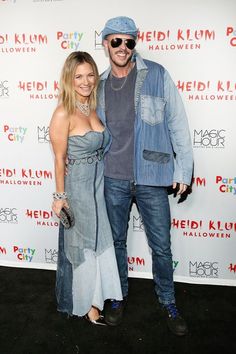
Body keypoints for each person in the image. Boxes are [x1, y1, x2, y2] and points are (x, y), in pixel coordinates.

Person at [96, 16, 194, 336]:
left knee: (161, 246)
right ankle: (117, 296)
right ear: (105, 43)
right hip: (113, 176)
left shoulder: (157, 75)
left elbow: (178, 124)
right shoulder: (97, 85)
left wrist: (184, 170)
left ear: (135, 44)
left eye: (129, 42)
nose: (123, 48)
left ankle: (167, 300)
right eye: (116, 41)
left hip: (152, 176)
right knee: (115, 244)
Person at [49, 51, 122, 326]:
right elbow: (58, 158)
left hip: (98, 187)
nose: (86, 81)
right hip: (77, 190)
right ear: (69, 78)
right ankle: (86, 304)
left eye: (90, 74)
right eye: (78, 76)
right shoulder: (62, 112)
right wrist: (60, 198)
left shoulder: (92, 108)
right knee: (81, 247)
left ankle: (97, 297)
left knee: (100, 240)